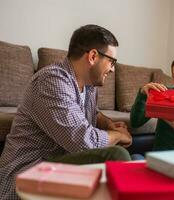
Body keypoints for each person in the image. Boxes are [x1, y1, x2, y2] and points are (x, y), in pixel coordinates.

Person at [0, 24, 132, 200]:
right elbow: (83, 141)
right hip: (31, 169)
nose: (113, 68)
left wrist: (108, 123)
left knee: (133, 159)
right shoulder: (52, 80)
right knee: (118, 155)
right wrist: (118, 135)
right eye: (112, 61)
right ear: (93, 56)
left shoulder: (89, 86)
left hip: (59, 163)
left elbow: (94, 113)